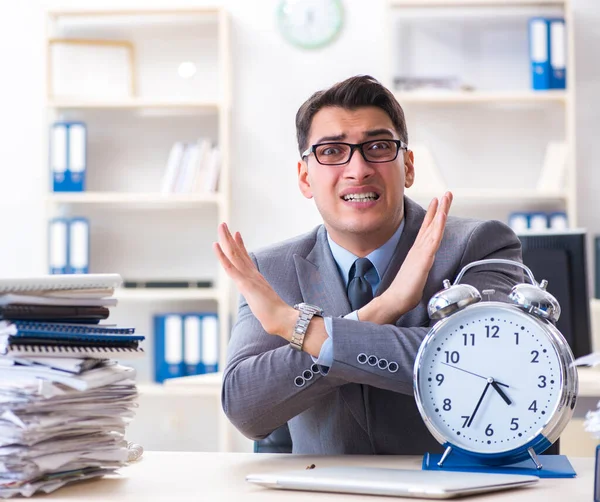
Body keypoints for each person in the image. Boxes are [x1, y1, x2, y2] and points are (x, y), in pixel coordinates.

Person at [213, 75, 522, 455]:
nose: (358, 169)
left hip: (448, 490)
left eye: (377, 147)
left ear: (408, 167)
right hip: (321, 493)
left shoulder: (478, 245)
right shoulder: (271, 269)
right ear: (305, 177)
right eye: (330, 151)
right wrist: (383, 309)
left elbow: (492, 366)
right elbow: (246, 409)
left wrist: (300, 328)